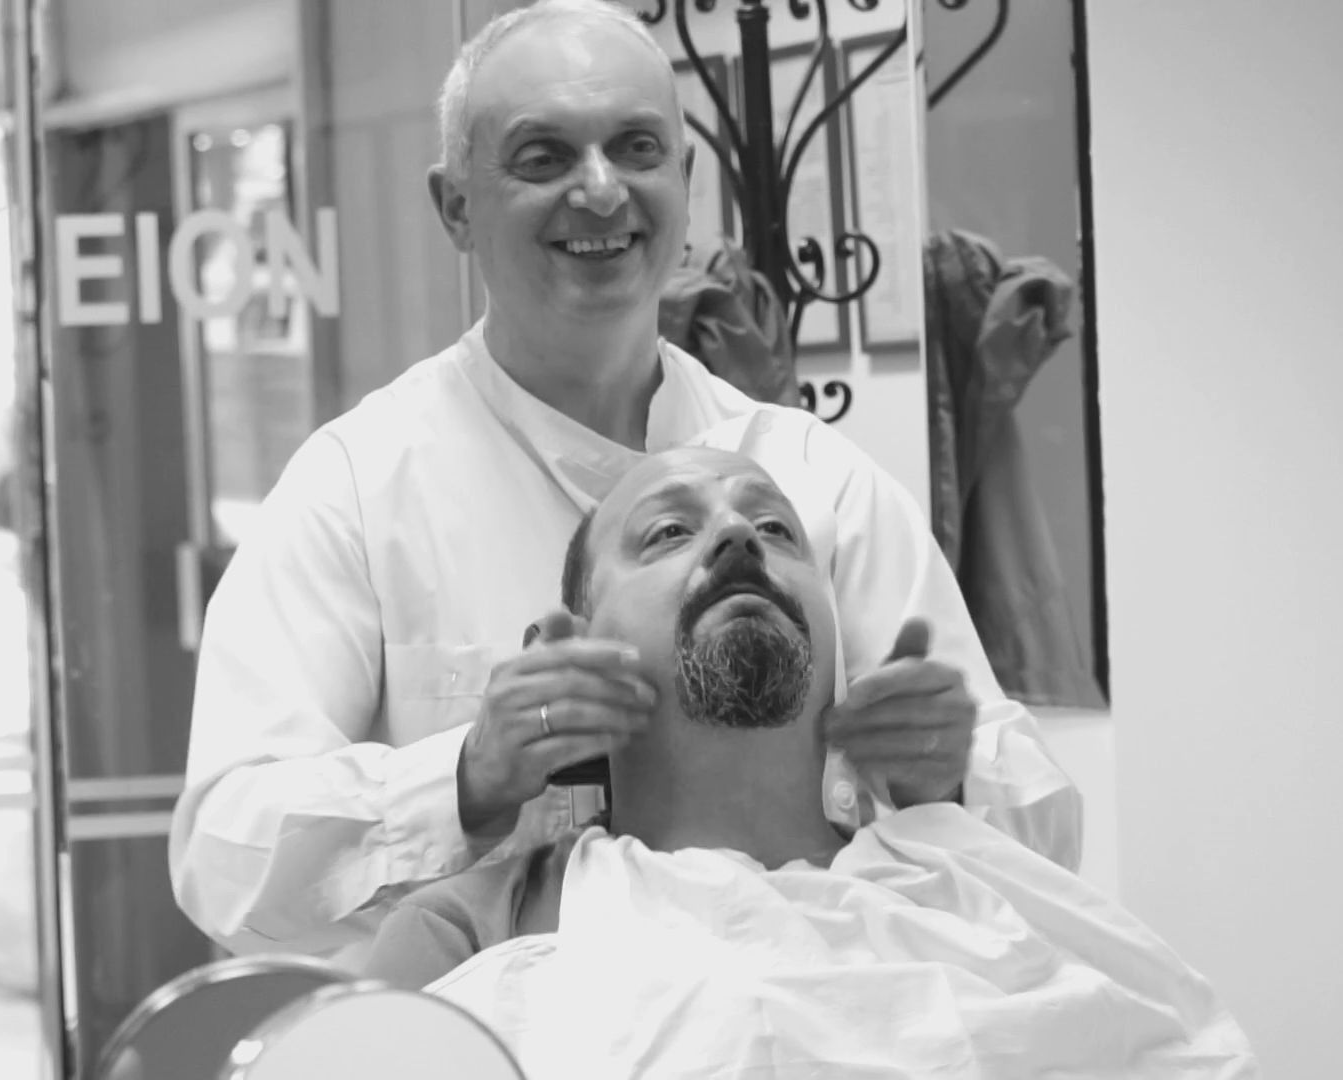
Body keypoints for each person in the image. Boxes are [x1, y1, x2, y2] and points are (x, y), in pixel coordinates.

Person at [168, 0, 1081, 966]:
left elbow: (1045, 848)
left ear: (686, 182)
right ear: (456, 207)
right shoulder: (358, 488)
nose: (601, 192)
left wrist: (945, 777)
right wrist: (467, 778)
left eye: (638, 149)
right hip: (470, 1030)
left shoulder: (812, 482)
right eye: (544, 157)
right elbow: (225, 859)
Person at [362, 448, 1258, 1079]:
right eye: (668, 532)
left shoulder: (972, 903)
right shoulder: (473, 933)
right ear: (567, 645)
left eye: (776, 529)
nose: (738, 538)